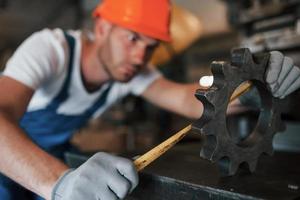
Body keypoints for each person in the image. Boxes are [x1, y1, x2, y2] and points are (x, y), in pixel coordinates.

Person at [0, 0, 299, 199]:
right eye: (132, 38)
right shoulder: (51, 49)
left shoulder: (130, 71)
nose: (140, 56)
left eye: (150, 46)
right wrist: (60, 183)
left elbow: (186, 98)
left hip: (58, 155)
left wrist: (249, 91)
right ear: (102, 29)